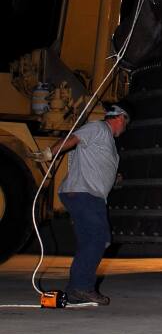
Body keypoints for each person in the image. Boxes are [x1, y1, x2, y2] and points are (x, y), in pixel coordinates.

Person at [42, 104, 130, 305]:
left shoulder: (106, 140)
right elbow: (73, 139)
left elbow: (97, 164)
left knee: (90, 241)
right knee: (100, 238)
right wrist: (50, 152)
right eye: (126, 123)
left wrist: (113, 178)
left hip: (90, 195)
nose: (125, 128)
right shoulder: (98, 128)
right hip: (84, 193)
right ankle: (81, 287)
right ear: (121, 118)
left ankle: (76, 289)